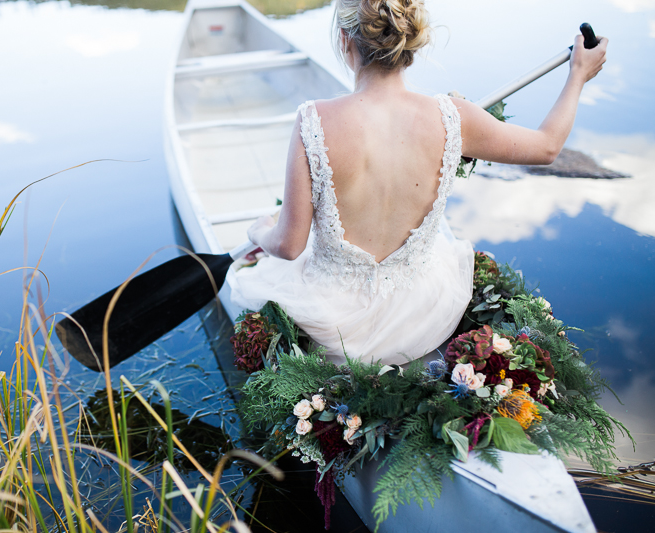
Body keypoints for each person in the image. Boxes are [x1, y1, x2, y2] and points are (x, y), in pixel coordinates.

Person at [227, 0, 607, 366]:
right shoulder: (452, 116)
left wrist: (261, 232)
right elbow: (546, 148)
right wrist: (578, 75)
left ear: (345, 40)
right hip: (425, 317)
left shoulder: (314, 120)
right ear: (407, 41)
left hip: (332, 325)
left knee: (260, 277)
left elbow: (290, 246)